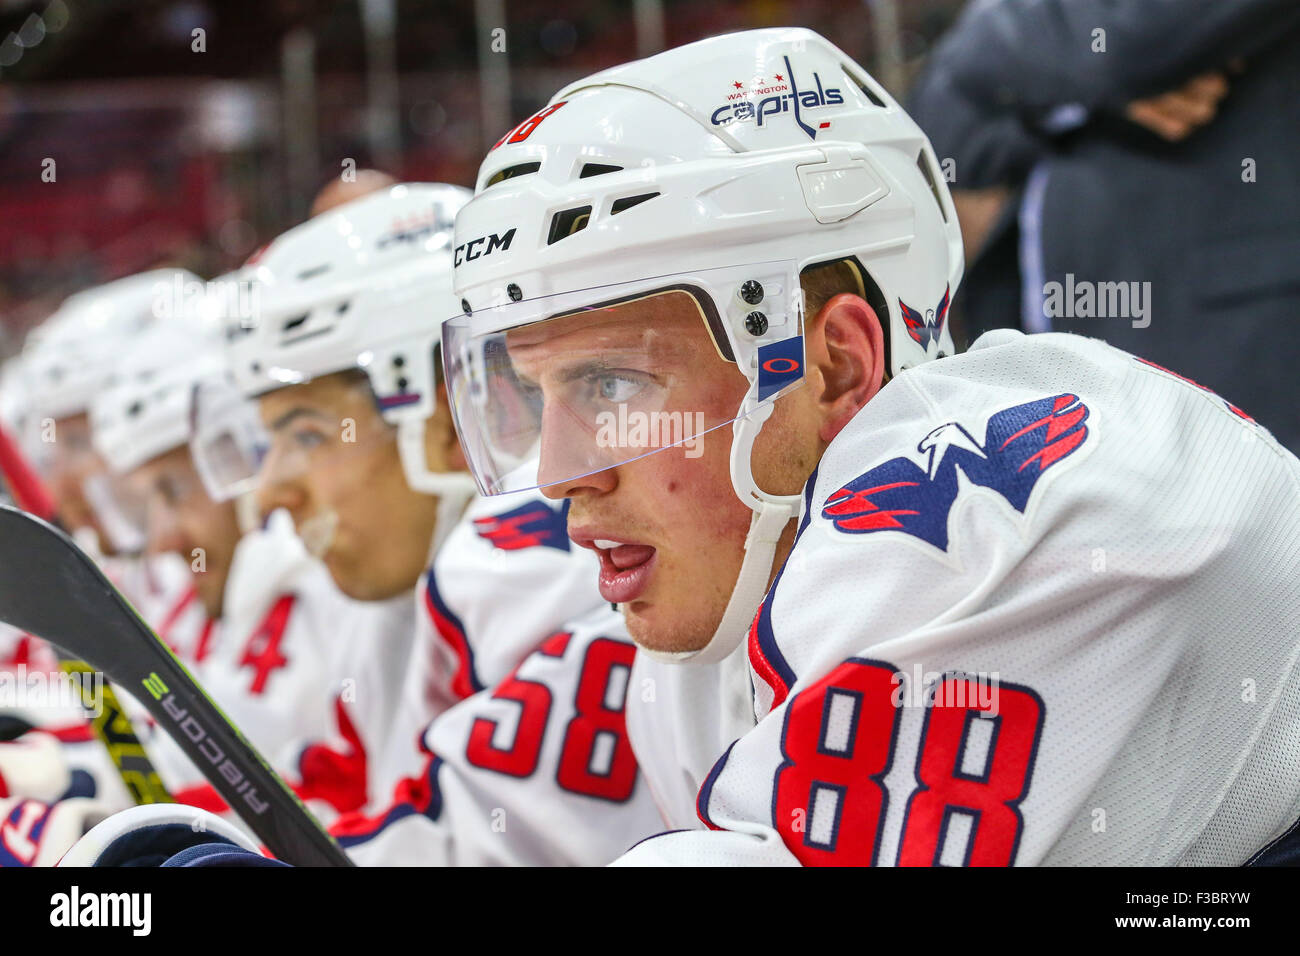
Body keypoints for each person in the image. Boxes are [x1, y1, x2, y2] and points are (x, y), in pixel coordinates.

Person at [441, 27, 1300, 865]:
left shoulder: (1002, 511)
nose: (558, 475)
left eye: (611, 384)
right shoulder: (715, 616)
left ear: (835, 366)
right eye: (535, 392)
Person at [910, 0, 1300, 451]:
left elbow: (1136, 37)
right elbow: (938, 125)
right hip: (1059, 330)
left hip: (1225, 335)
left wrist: (988, 45)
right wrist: (1078, 101)